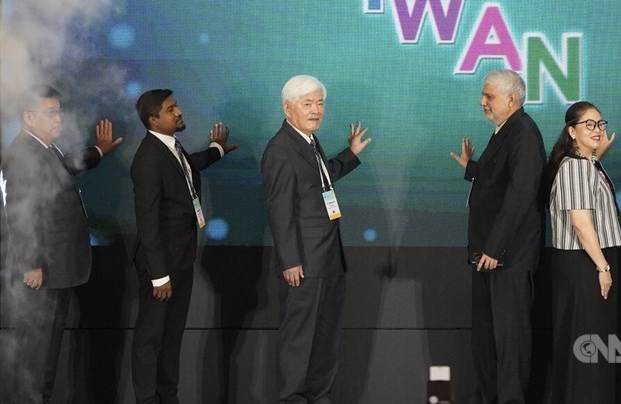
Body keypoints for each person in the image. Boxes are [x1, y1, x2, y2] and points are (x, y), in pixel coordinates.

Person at [2, 84, 122, 403]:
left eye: (60, 112)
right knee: (38, 360)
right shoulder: (23, 154)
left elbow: (65, 168)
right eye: (51, 113)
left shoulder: (43, 148)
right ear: (29, 117)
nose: (59, 119)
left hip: (57, 269)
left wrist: (98, 151)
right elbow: (18, 212)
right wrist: (30, 264)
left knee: (46, 358)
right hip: (43, 273)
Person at [260, 74, 370, 404]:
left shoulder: (307, 140)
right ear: (287, 107)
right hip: (304, 263)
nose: (316, 110)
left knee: (324, 339)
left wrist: (350, 154)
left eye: (319, 103)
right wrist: (290, 260)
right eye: (307, 104)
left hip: (327, 258)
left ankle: (318, 397)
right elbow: (279, 210)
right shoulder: (280, 149)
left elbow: (319, 179)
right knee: (300, 340)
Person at [130, 89, 236, 404]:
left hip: (181, 259)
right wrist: (159, 275)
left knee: (171, 336)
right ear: (153, 120)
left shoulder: (171, 147)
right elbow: (147, 221)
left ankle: (168, 396)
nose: (178, 112)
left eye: (176, 106)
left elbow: (188, 167)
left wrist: (217, 150)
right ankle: (148, 399)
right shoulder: (148, 158)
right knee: (150, 338)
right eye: (170, 109)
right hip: (160, 266)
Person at [449, 69, 546, 404]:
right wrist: (472, 168)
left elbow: (520, 196)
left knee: (509, 340)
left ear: (511, 98)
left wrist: (495, 247)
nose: (482, 102)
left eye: (488, 96)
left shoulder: (524, 133)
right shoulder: (506, 131)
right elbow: (499, 180)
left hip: (507, 256)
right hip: (489, 255)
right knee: (488, 339)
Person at [543, 101, 621, 404]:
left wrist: (595, 155)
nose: (598, 130)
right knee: (588, 345)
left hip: (586, 261)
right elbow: (580, 223)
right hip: (585, 263)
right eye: (589, 124)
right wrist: (603, 268)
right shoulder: (575, 167)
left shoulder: (583, 163)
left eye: (600, 124)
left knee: (592, 343)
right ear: (572, 131)